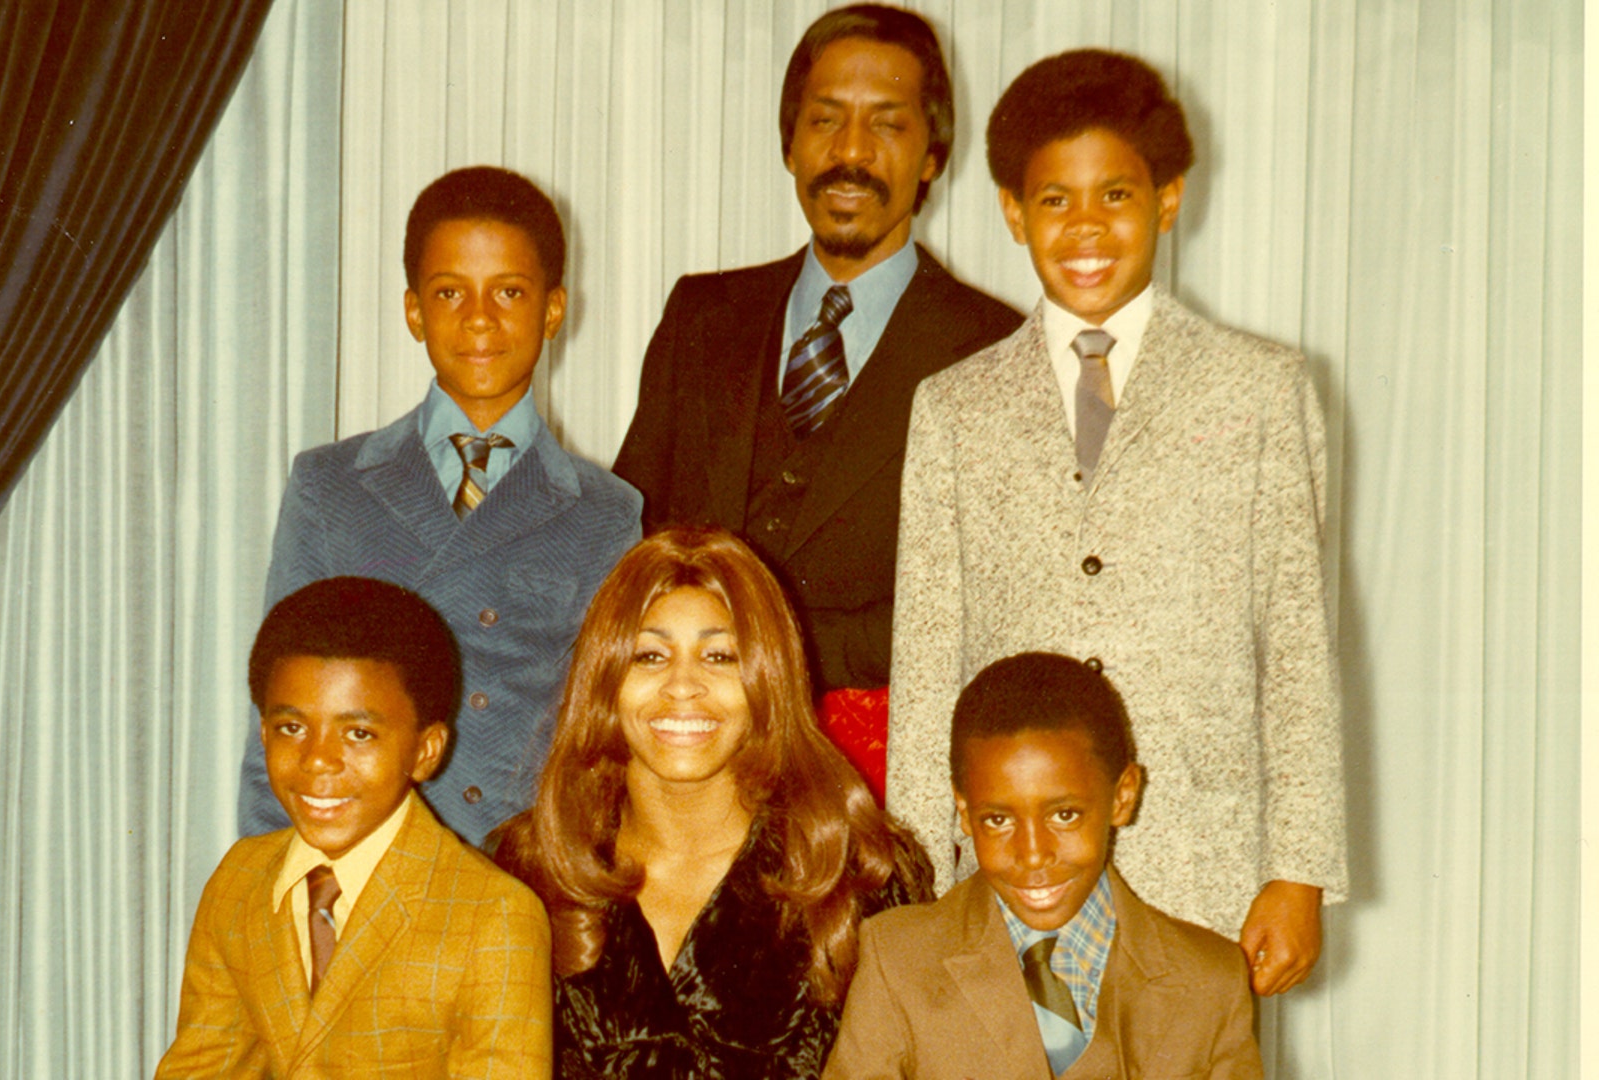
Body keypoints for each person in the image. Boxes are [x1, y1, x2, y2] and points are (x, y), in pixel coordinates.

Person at [888, 48, 1345, 995]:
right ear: (1013, 212)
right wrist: (920, 875)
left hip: (1203, 867)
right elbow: (928, 655)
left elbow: (1297, 641)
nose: (1086, 228)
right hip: (1012, 871)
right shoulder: (954, 407)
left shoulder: (1261, 389)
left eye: (1117, 197)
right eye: (1055, 201)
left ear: (1169, 199)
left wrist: (1298, 869)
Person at [612, 5, 1022, 792]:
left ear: (933, 154)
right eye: (825, 121)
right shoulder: (700, 315)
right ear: (789, 142)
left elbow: (984, 604)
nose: (851, 154)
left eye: (887, 126)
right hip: (687, 766)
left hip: (879, 783)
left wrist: (762, 652)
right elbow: (635, 535)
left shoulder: (995, 348)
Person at [239, 165, 642, 847]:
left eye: (509, 292)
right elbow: (278, 716)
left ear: (553, 309)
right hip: (364, 870)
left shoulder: (607, 512)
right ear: (413, 311)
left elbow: (608, 745)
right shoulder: (330, 486)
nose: (479, 319)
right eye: (450, 292)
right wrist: (271, 889)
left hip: (527, 882)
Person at [492, 527, 932, 1079]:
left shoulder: (862, 874)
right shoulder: (529, 871)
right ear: (605, 680)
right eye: (649, 656)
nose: (683, 685)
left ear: (767, 680)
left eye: (720, 656)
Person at [158, 577, 550, 1078]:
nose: (318, 760)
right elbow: (202, 1067)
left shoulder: (495, 917)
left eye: (359, 734)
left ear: (426, 751)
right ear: (262, 732)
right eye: (291, 728)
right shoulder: (240, 879)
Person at [824, 652, 1260, 1079]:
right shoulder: (899, 958)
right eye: (998, 820)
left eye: (1064, 815)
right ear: (963, 811)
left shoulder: (1210, 979)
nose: (1032, 855)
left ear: (1123, 796)